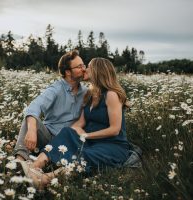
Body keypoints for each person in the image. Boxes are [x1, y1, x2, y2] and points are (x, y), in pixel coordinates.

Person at [21, 57, 131, 189]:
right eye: (82, 66)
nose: (85, 68)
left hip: (112, 145)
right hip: (92, 141)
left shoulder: (111, 95)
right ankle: (34, 167)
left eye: (88, 66)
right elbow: (79, 123)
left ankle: (46, 179)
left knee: (84, 155)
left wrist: (86, 136)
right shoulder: (90, 94)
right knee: (67, 131)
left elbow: (115, 129)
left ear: (97, 71)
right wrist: (75, 133)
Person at [13, 50, 87, 161]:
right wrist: (32, 130)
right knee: (31, 120)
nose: (84, 69)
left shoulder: (86, 92)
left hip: (69, 140)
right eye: (79, 66)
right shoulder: (56, 88)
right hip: (49, 137)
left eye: (83, 65)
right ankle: (19, 161)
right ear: (68, 72)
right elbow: (35, 106)